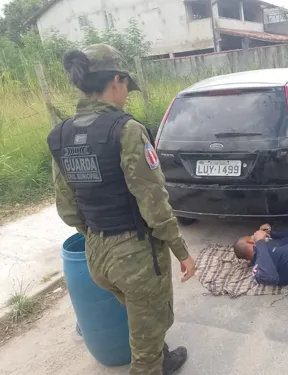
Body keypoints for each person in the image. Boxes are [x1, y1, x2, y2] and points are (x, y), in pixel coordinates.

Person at [47, 44, 195, 375]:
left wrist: (97, 234)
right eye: (126, 84)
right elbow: (154, 202)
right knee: (146, 343)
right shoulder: (126, 130)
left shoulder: (60, 134)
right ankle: (153, 362)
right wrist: (181, 250)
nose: (126, 92)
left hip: (97, 255)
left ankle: (163, 356)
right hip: (136, 257)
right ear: (116, 79)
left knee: (144, 317)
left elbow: (67, 208)